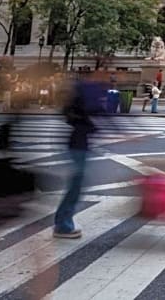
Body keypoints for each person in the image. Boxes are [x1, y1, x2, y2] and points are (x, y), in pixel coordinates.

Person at [54, 71, 103, 239]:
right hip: (78, 143)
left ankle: (63, 223)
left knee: (77, 182)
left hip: (78, 142)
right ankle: (62, 225)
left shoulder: (79, 94)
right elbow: (98, 111)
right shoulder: (84, 93)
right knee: (76, 183)